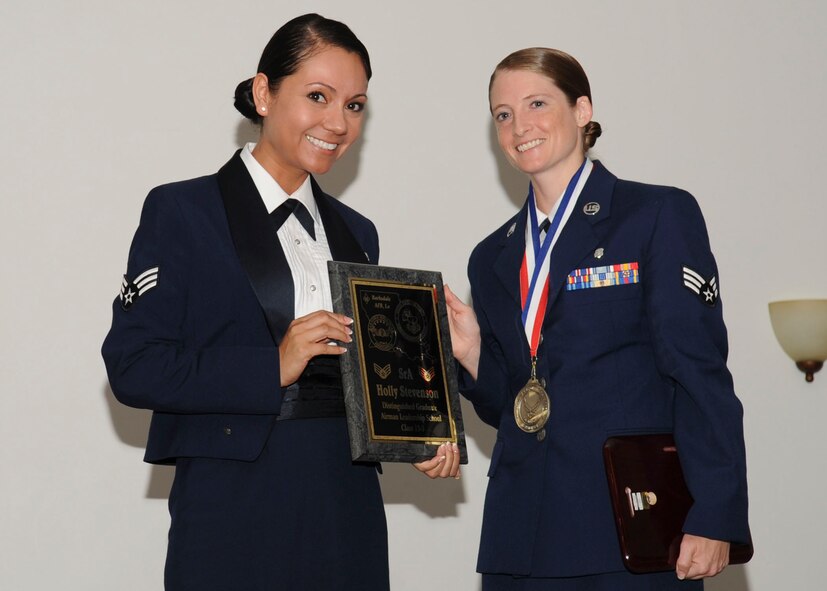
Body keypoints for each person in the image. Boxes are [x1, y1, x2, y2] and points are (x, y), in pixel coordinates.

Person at [102, 13, 459, 590]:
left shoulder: (358, 232)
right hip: (233, 505)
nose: (338, 123)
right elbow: (134, 367)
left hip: (346, 507)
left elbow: (366, 379)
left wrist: (416, 433)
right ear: (264, 93)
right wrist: (272, 365)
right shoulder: (183, 211)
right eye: (318, 96)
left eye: (355, 105)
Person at [441, 47, 750, 590]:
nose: (519, 126)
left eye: (537, 103)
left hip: (629, 527)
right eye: (503, 114)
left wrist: (714, 512)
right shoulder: (491, 257)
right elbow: (511, 406)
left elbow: (698, 373)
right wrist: (472, 356)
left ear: (582, 110)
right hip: (520, 536)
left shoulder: (655, 215)